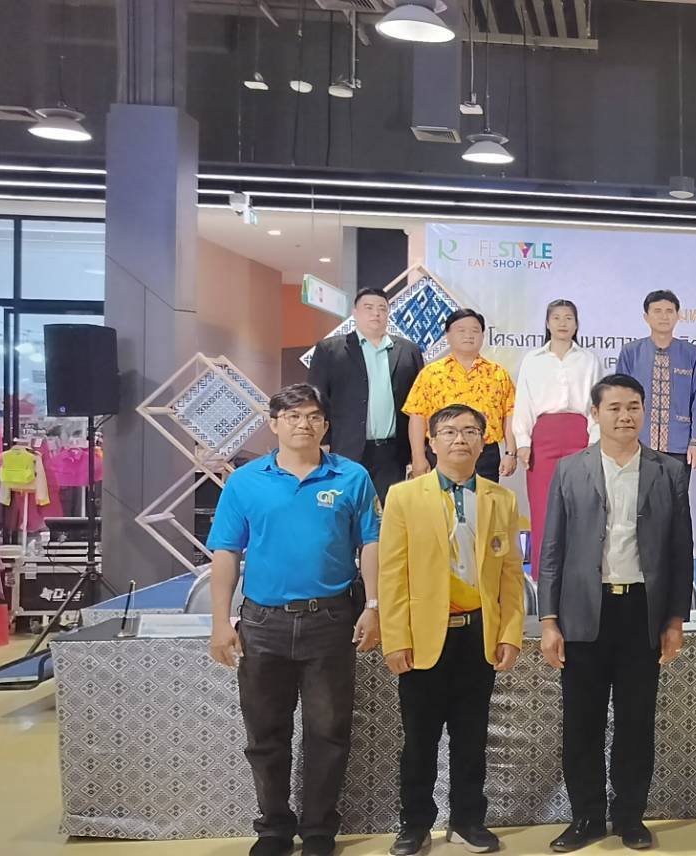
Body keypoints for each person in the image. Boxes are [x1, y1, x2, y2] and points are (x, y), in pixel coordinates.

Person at [205, 384, 381, 856]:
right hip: (263, 625)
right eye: (294, 416)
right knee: (266, 735)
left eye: (314, 416)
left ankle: (320, 829)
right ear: (274, 423)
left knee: (327, 732)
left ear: (326, 424)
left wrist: (374, 606)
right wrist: (220, 622)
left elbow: (371, 543)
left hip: (331, 620)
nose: (305, 424)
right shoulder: (245, 481)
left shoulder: (352, 477)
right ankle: (274, 829)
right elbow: (226, 552)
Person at [538, 374, 694, 853]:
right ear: (596, 414)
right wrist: (548, 620)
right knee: (581, 723)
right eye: (615, 408)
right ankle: (586, 817)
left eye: (633, 407)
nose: (625, 416)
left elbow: (680, 551)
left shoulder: (668, 471)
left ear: (644, 411)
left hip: (641, 611)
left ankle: (630, 817)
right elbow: (552, 549)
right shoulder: (570, 470)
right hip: (584, 611)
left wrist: (675, 619)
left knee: (635, 722)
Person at [379, 404, 525, 856]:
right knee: (419, 740)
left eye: (470, 431)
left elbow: (510, 575)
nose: (460, 439)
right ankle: (415, 825)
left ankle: (467, 821)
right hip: (424, 637)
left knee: (472, 737)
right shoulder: (404, 497)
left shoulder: (500, 500)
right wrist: (396, 638)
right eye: (449, 431)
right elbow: (391, 574)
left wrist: (510, 633)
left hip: (477, 635)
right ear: (431, 442)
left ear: (484, 442)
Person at [307, 288, 426, 501]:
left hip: (393, 452)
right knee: (345, 506)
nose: (376, 313)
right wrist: (320, 442)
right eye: (368, 308)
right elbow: (316, 400)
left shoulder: (409, 351)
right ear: (355, 312)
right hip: (345, 448)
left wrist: (419, 452)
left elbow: (420, 404)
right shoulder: (330, 350)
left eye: (382, 308)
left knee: (389, 510)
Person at [512, 299, 602, 579]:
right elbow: (523, 402)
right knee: (543, 507)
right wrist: (523, 442)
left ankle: (581, 573)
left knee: (582, 506)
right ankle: (544, 576)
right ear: (547, 323)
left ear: (576, 324)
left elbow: (597, 405)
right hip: (543, 438)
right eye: (557, 318)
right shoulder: (533, 359)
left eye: (568, 318)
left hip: (580, 435)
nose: (563, 323)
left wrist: (595, 441)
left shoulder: (589, 359)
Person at [403, 309, 517, 482]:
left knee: (483, 499)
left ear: (483, 336)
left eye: (475, 330)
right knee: (440, 499)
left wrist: (510, 453)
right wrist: (418, 456)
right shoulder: (431, 373)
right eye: (461, 330)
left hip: (484, 454)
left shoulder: (498, 374)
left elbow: (510, 415)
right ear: (448, 336)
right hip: (441, 451)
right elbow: (417, 416)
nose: (468, 335)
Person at [615, 289, 696, 470]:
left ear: (678, 316)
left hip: (679, 444)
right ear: (646, 317)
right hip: (638, 442)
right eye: (657, 311)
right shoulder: (631, 352)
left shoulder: (691, 353)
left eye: (669, 311)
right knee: (639, 489)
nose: (664, 316)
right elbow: (620, 398)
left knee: (677, 489)